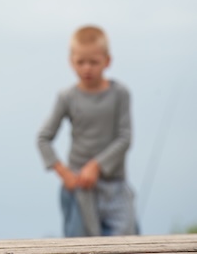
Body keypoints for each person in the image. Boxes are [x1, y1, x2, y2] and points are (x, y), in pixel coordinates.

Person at [37, 25, 139, 237]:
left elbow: (125, 138)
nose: (87, 68)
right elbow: (43, 138)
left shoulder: (120, 94)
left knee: (127, 244)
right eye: (80, 62)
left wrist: (96, 166)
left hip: (115, 187)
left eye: (94, 62)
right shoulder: (67, 97)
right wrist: (64, 173)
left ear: (107, 61)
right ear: (71, 61)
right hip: (78, 190)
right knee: (80, 247)